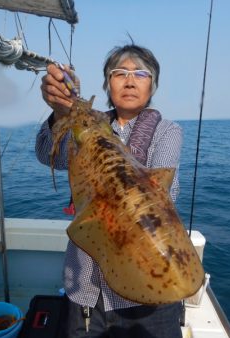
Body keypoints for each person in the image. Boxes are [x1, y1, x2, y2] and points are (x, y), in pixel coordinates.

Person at [36, 44, 183, 338]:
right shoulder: (85, 125)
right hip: (87, 288)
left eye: (141, 74)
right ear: (107, 83)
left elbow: (162, 196)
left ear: (152, 85)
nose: (130, 81)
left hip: (146, 290)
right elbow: (48, 154)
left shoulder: (167, 131)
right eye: (120, 73)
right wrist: (62, 114)